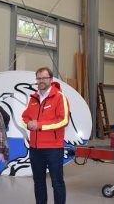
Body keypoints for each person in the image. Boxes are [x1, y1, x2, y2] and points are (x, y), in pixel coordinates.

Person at [22, 67, 70, 204]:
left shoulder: (60, 97)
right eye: (39, 78)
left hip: (53, 148)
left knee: (57, 183)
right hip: (35, 149)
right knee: (38, 182)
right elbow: (24, 116)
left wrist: (40, 125)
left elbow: (63, 120)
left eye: (44, 78)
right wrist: (28, 124)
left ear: (51, 79)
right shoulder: (33, 98)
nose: (41, 81)